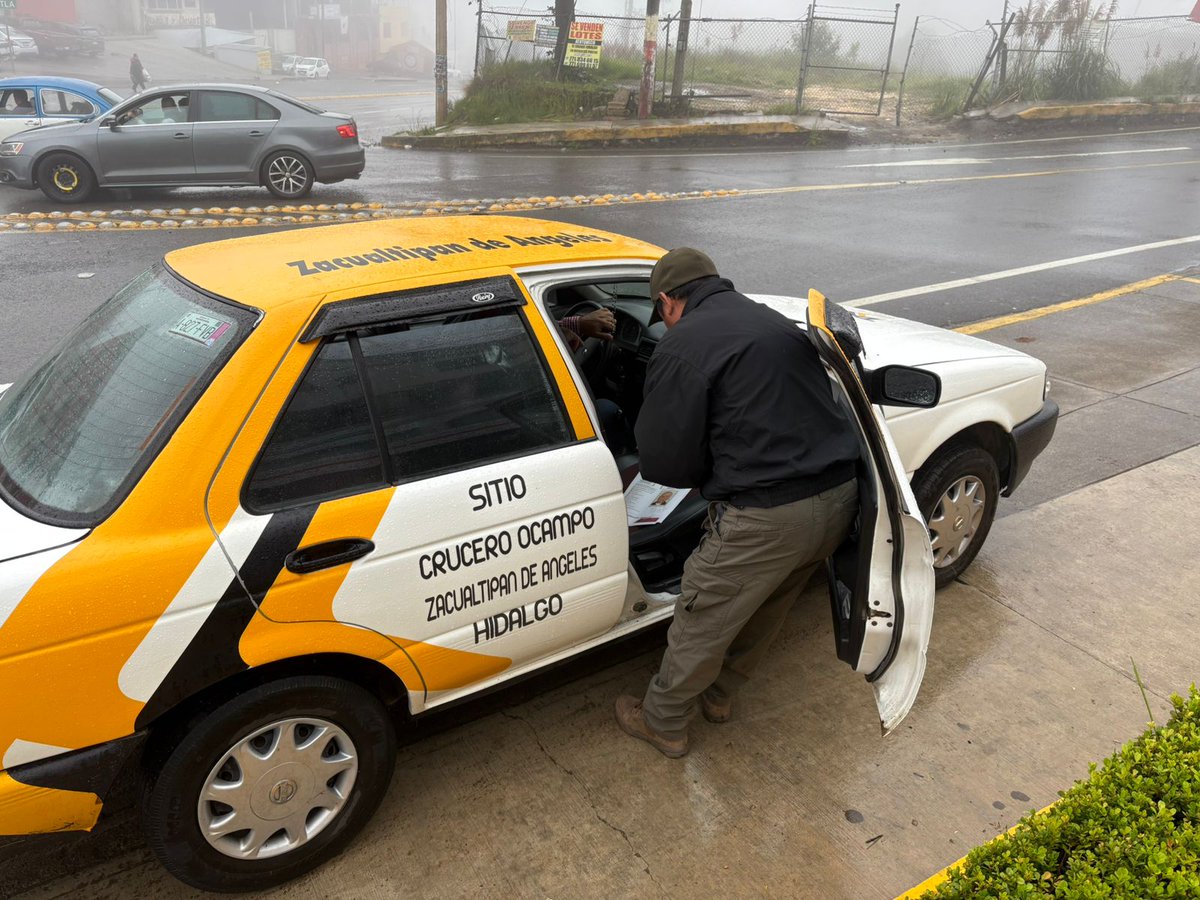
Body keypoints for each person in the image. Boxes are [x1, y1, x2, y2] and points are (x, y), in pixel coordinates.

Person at [614, 248, 862, 758]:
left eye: (662, 313)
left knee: (704, 618)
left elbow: (664, 462)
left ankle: (662, 722)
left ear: (667, 301)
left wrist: (708, 474)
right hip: (838, 500)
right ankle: (720, 697)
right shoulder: (772, 320)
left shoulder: (682, 344)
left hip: (766, 518)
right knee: (766, 607)